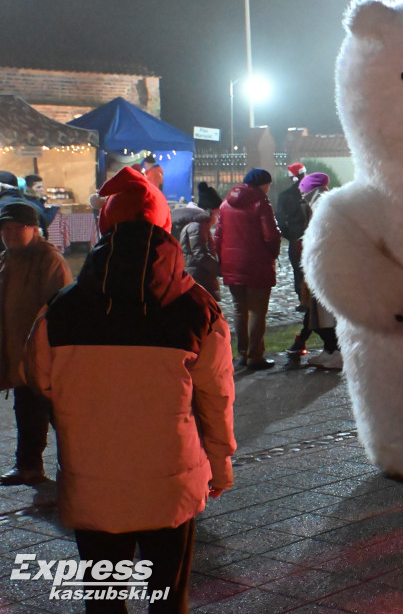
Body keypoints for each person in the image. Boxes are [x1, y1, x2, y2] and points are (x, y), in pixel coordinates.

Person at [22, 167, 235, 612]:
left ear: (104, 231)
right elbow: (216, 396)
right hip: (169, 481)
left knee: (104, 601)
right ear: (165, 229)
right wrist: (220, 461)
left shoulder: (63, 309)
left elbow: (39, 378)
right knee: (167, 599)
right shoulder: (197, 307)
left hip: (92, 479)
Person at [0, 200, 71, 486]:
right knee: (26, 409)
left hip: (41, 352)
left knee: (56, 413)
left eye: (18, 228)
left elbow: (59, 307)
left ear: (34, 229)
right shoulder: (7, 258)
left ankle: (79, 466)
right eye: (6, 229)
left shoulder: (48, 259)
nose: (11, 234)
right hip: (17, 349)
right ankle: (29, 465)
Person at [214, 168, 281, 370]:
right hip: (257, 264)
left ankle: (241, 353)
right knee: (257, 311)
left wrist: (222, 260)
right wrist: (273, 252)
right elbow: (271, 235)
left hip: (232, 265)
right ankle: (255, 356)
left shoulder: (225, 204)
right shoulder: (261, 202)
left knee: (239, 310)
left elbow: (218, 235)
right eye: (268, 184)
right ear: (262, 184)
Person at [291, 172, 343, 370]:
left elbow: (326, 237)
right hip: (321, 265)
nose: (301, 193)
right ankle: (329, 351)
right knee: (318, 313)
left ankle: (335, 353)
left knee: (324, 312)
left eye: (303, 189)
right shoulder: (319, 203)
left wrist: (307, 244)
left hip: (327, 267)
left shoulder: (322, 204)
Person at [277, 162, 308, 299]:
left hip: (295, 236)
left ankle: (302, 299)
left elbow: (280, 219)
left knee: (298, 270)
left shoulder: (284, 196)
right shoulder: (312, 192)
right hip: (312, 235)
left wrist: (288, 235)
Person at [179, 206, 221, 301]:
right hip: (200, 275)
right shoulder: (198, 226)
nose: (217, 218)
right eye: (217, 214)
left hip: (197, 273)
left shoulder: (196, 226)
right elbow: (200, 253)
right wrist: (218, 270)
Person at [22, 174, 59, 240]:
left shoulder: (33, 200)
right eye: (38, 187)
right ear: (29, 188)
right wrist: (54, 208)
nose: (42, 190)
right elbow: (45, 221)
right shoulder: (32, 202)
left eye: (42, 187)